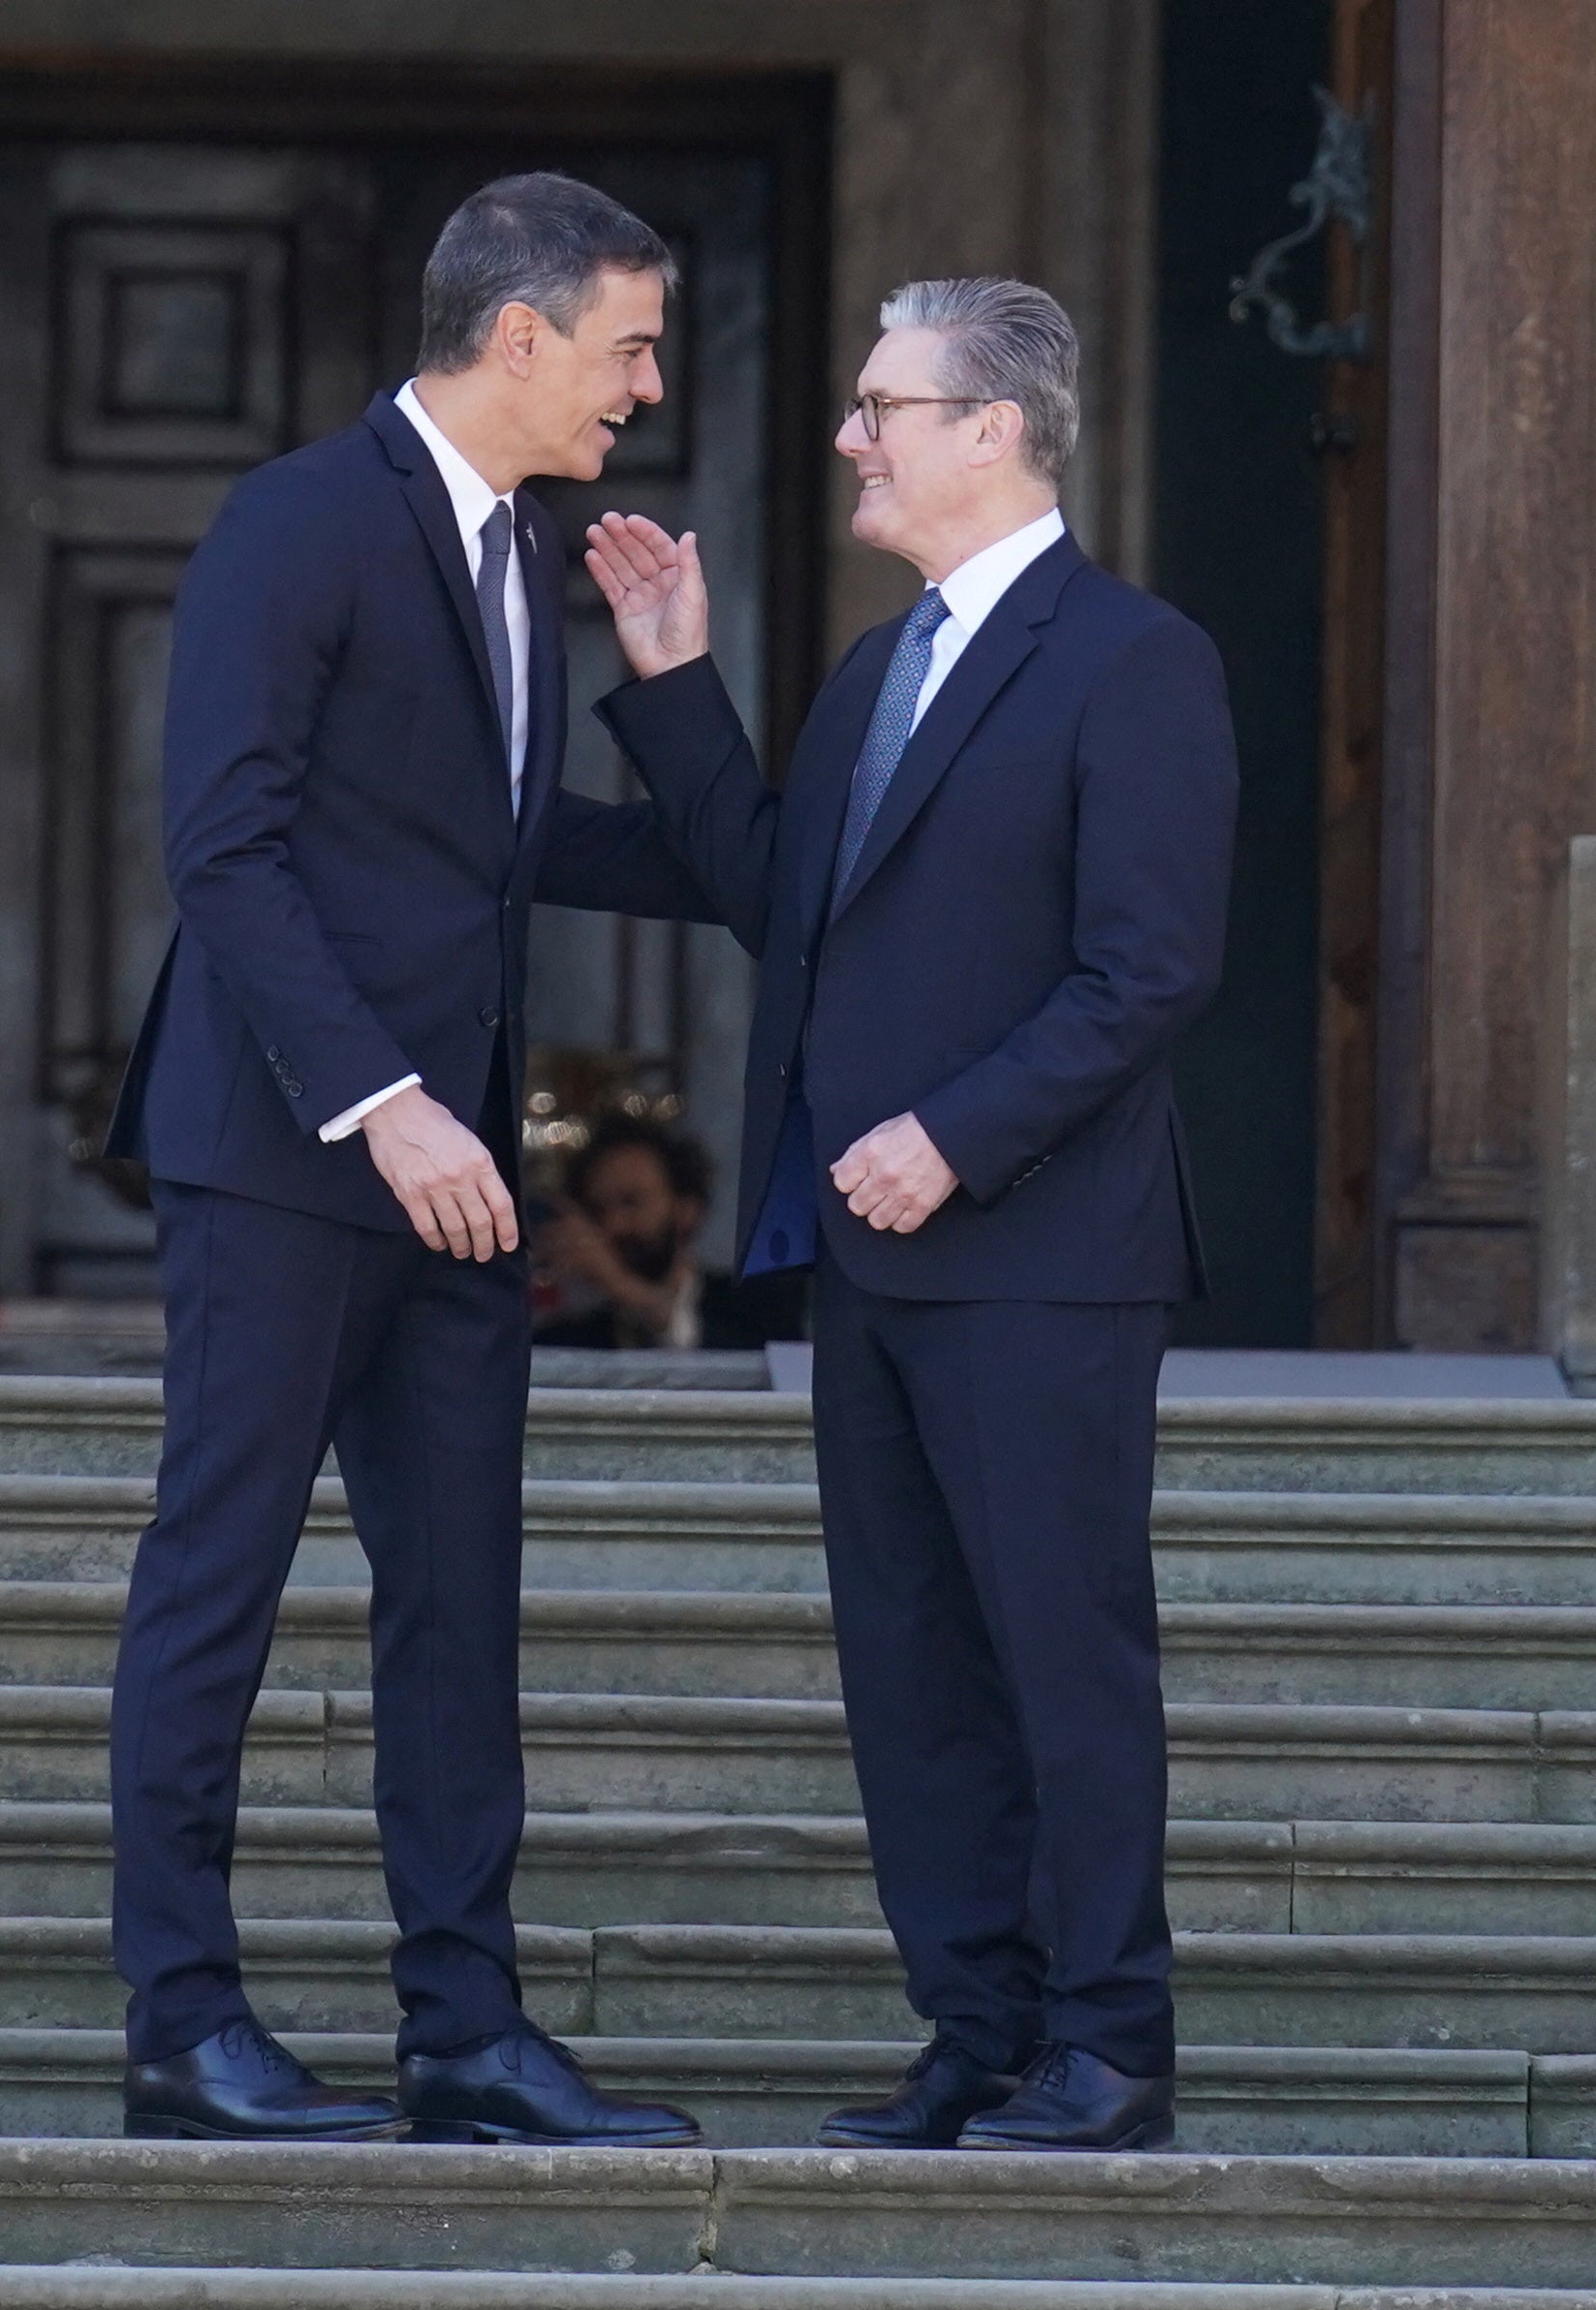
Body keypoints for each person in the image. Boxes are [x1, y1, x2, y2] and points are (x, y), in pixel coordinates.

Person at [586, 277, 1238, 2153]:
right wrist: (667, 678)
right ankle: (976, 2028)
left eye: (886, 404)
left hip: (1040, 1251)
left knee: (1057, 1651)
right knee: (907, 1667)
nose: (854, 433)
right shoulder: (881, 668)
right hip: (866, 1258)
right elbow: (777, 888)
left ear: (996, 430)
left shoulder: (1136, 658)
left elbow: (1146, 969)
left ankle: (1108, 2044)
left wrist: (953, 1137)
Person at [104, 172, 715, 2147]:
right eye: (626, 340)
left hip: (454, 1189)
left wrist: (681, 699)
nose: (645, 380)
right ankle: (179, 2022)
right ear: (520, 331)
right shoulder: (299, 518)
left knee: (459, 1596)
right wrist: (385, 1099)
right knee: (221, 1574)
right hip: (295, 1154)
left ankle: (465, 2024)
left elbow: (514, 850)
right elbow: (225, 840)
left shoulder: (522, 563)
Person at [534, 1112, 808, 1351]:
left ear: (686, 1208)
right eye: (597, 1210)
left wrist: (634, 1294)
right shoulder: (566, 1338)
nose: (613, 1224)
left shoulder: (763, 1308)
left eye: (631, 1202)